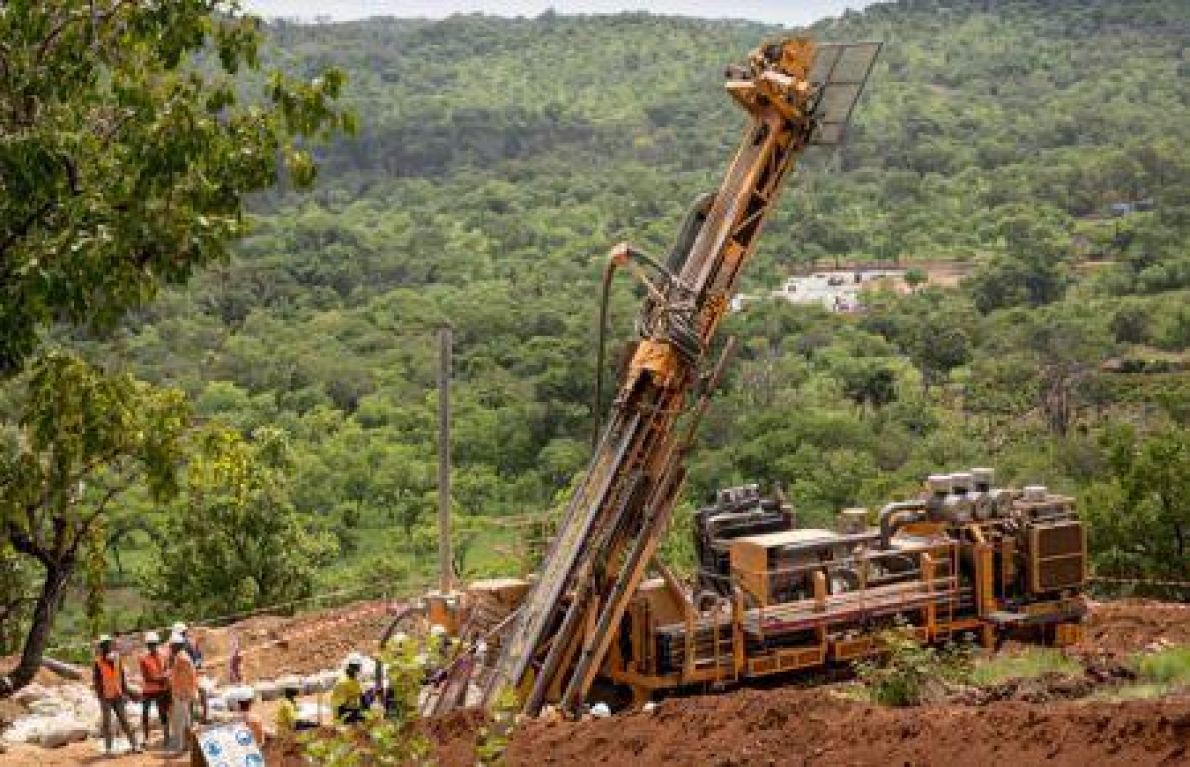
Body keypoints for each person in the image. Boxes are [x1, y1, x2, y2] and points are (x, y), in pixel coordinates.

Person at [92, 635, 142, 755]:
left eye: (108, 644)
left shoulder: (117, 659)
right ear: (102, 647)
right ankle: (109, 749)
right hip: (105, 696)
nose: (107, 647)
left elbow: (122, 677)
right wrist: (100, 695)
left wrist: (127, 692)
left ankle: (135, 745)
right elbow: (96, 680)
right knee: (107, 723)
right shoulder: (98, 662)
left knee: (124, 720)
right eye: (104, 645)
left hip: (118, 694)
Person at [166, 632, 198, 754]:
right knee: (185, 721)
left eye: (172, 646)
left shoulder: (182, 658)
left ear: (176, 645)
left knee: (181, 722)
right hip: (181, 693)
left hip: (182, 694)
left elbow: (187, 677)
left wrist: (184, 693)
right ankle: (187, 746)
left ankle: (181, 748)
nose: (170, 648)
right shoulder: (181, 657)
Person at [137, 631, 170, 747]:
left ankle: (166, 737)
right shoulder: (143, 658)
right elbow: (147, 677)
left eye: (154, 644)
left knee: (163, 713)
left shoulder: (163, 655)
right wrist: (161, 678)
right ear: (147, 645)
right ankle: (146, 738)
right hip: (148, 689)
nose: (152, 646)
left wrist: (165, 678)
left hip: (161, 689)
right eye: (150, 644)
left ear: (157, 643)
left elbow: (167, 669)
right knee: (145, 713)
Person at [330, 654, 365, 724]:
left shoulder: (355, 680)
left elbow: (361, 696)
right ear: (349, 667)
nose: (357, 670)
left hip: (353, 711)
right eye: (355, 667)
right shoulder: (342, 683)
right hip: (344, 715)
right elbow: (340, 706)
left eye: (358, 667)